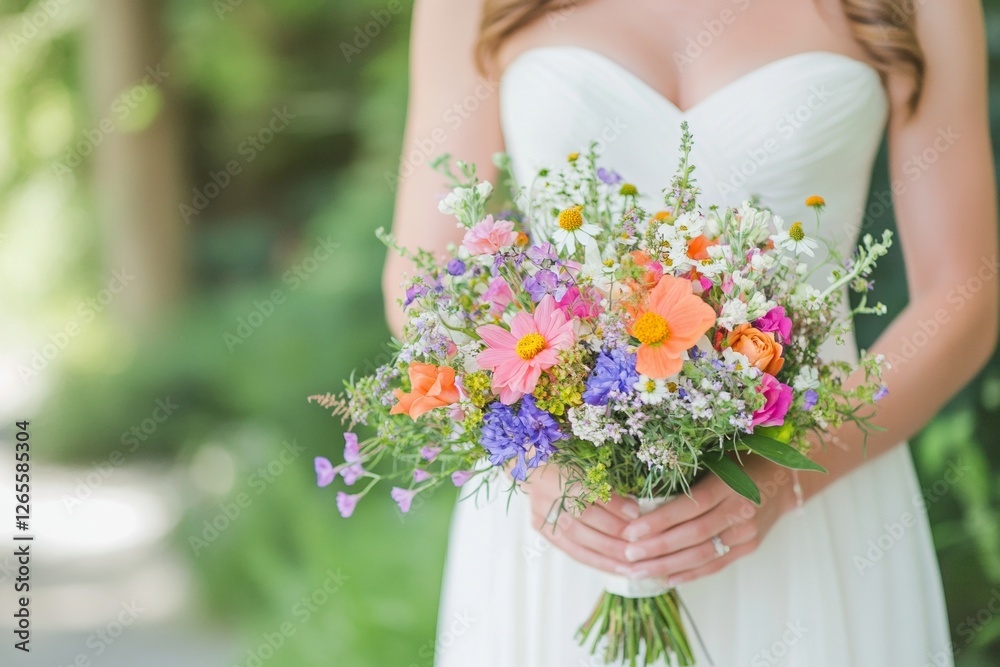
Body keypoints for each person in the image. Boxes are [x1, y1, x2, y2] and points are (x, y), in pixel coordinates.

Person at [383, 1, 998, 664]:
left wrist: (787, 480)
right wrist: (534, 457)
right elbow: (422, 283)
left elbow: (963, 294)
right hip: (563, 517)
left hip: (816, 492)